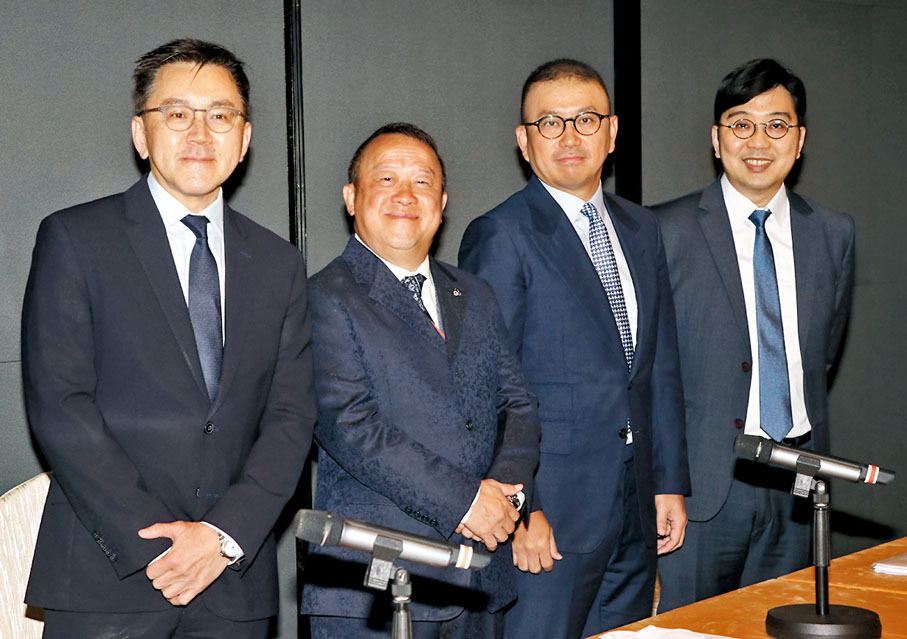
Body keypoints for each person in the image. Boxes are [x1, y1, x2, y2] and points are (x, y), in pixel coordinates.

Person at [21, 39, 316, 638]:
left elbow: (291, 418)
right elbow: (60, 406)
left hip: (233, 582)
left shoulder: (279, 264)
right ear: (141, 133)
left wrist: (222, 537)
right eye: (177, 113)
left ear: (245, 137)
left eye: (221, 115)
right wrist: (159, 544)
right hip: (110, 577)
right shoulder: (76, 239)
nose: (200, 133)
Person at [458, 59, 690, 638]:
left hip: (636, 503)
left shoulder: (641, 228)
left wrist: (668, 481)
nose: (569, 136)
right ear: (524, 141)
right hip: (551, 515)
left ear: (612, 133)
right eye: (550, 123)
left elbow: (658, 366)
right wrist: (522, 510)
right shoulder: (501, 234)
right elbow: (488, 389)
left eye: (586, 120)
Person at [300, 122, 541, 638]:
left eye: (423, 182)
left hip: (481, 578)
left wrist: (505, 501)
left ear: (443, 202)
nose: (406, 195)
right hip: (375, 590)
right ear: (351, 197)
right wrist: (467, 503)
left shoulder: (474, 293)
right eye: (386, 179)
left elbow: (517, 406)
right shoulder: (324, 297)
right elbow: (352, 428)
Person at [653, 58, 855, 611]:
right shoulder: (664, 230)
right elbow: (648, 372)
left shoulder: (832, 233)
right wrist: (662, 481)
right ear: (716, 139)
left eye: (777, 125)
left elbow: (821, 355)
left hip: (799, 486)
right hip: (701, 490)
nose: (759, 141)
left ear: (800, 140)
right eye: (741, 124)